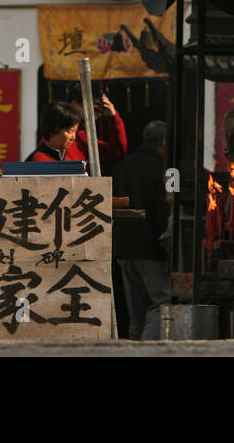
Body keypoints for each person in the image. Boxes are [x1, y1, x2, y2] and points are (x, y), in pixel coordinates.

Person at [112, 120, 171, 340]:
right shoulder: (161, 167)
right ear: (164, 142)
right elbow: (161, 208)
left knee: (136, 312)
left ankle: (133, 350)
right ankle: (147, 350)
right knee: (161, 301)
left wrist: (117, 245)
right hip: (149, 247)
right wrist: (165, 237)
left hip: (125, 248)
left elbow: (115, 205)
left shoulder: (123, 166)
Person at [66, 85, 128, 175]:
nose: (95, 117)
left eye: (98, 112)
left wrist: (114, 118)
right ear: (74, 105)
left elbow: (117, 153)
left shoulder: (84, 138)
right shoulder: (57, 136)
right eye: (93, 110)